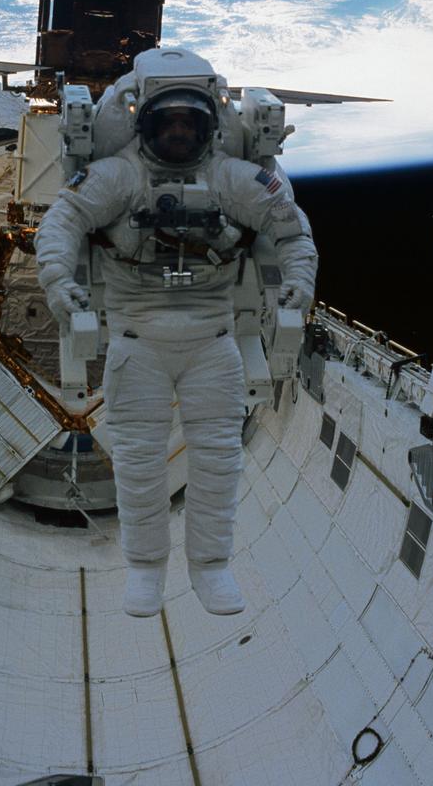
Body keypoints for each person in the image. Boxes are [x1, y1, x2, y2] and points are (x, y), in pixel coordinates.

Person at [34, 49, 318, 617]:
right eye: (170, 124)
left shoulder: (234, 181)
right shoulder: (119, 178)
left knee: (216, 462)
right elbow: (62, 222)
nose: (181, 134)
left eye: (192, 124)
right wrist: (58, 280)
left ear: (211, 128)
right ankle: (145, 571)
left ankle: (211, 569)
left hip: (212, 340)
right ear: (146, 126)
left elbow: (292, 234)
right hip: (137, 340)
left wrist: (298, 284)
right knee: (139, 464)